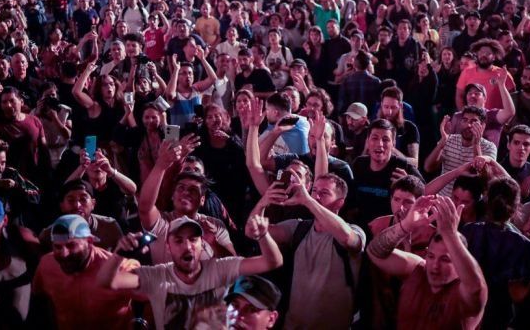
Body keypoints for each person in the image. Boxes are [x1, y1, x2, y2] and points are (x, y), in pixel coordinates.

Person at [98, 215, 283, 330]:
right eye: (178, 241)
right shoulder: (156, 275)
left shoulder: (219, 268)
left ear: (202, 243)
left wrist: (263, 236)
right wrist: (119, 254)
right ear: (168, 247)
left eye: (193, 240)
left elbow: (272, 261)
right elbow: (108, 281)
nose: (187, 246)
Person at [249, 173, 366, 330]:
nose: (316, 196)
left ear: (339, 203)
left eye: (324, 193)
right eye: (314, 190)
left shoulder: (354, 230)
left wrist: (308, 201)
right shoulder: (299, 228)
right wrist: (264, 202)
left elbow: (347, 239)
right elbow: (252, 231)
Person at [368, 195, 488, 330]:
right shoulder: (417, 269)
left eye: (445, 259)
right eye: (431, 256)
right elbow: (374, 252)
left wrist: (450, 234)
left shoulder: (463, 294)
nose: (435, 266)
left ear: (458, 262)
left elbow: (476, 288)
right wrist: (406, 225)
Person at [138, 139, 237, 264]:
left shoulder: (214, 226)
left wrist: (213, 242)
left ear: (202, 200)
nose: (186, 192)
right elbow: (145, 207)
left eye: (193, 190)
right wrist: (161, 164)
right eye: (181, 188)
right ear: (172, 196)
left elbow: (234, 264)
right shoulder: (162, 223)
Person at [30, 215, 135, 330]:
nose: (64, 253)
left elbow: (150, 299)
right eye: (58, 247)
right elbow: (39, 298)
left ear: (89, 241)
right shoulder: (46, 264)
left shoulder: (119, 268)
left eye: (71, 245)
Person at [459, 177, 530, 329]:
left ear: (487, 201)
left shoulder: (469, 231)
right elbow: (521, 295)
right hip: (500, 317)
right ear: (516, 207)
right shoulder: (526, 246)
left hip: (466, 309)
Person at [350, 119, 423, 228]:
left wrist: (409, 185)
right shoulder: (359, 164)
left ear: (393, 143)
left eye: (385, 140)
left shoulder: (402, 167)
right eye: (375, 138)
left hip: (391, 229)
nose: (380, 144)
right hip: (360, 229)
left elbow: (425, 194)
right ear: (368, 141)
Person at [425, 106, 498, 196]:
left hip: (471, 203)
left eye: (473, 121)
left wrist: (476, 144)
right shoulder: (449, 139)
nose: (468, 125)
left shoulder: (489, 147)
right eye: (465, 120)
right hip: (444, 198)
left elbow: (484, 179)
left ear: (482, 126)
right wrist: (441, 143)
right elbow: (428, 168)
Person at [38, 180, 123, 251]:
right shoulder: (49, 235)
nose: (77, 205)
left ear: (93, 204)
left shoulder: (110, 226)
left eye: (83, 199)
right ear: (62, 206)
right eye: (71, 200)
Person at [455, 38, 515, 110]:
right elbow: (459, 96)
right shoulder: (466, 72)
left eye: (488, 53)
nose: (484, 55)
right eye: (481, 52)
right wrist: (465, 115)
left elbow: (513, 98)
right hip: (474, 119)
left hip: (496, 118)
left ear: (494, 57)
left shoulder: (503, 74)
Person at [499, 125, 530, 202]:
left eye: (526, 144)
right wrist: (521, 194)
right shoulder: (498, 169)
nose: (521, 148)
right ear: (508, 145)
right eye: (516, 143)